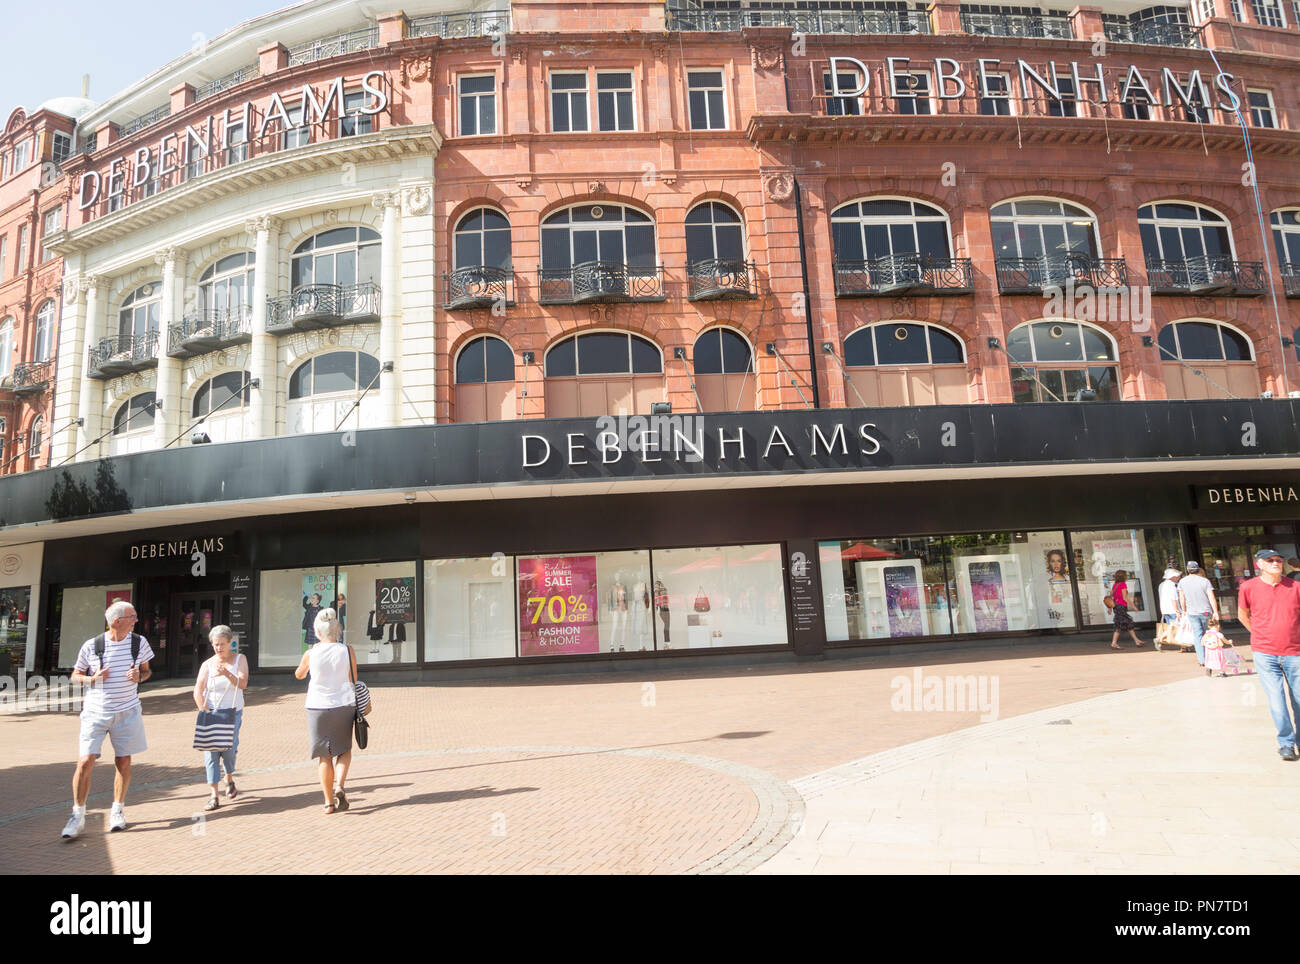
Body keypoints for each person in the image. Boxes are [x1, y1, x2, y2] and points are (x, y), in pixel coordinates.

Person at [62, 600, 155, 839]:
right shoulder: (93, 645)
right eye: (132, 616)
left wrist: (139, 676)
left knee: (123, 762)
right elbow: (75, 675)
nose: (136, 619)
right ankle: (77, 815)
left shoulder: (139, 643)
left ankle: (118, 810)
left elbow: (147, 671)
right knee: (85, 761)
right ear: (117, 621)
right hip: (95, 712)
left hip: (127, 711)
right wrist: (92, 679)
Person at [1238, 549, 1300, 761]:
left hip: (1295, 652)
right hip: (1265, 653)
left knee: (1299, 700)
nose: (1276, 563)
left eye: (1279, 560)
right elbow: (1242, 614)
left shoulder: (1296, 587)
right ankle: (1286, 743)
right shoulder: (1248, 588)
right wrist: (1258, 634)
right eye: (1270, 560)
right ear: (1259, 564)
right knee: (1276, 701)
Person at [294, 607, 356, 813]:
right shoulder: (347, 650)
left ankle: (329, 803)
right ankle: (339, 785)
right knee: (344, 750)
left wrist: (304, 668)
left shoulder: (311, 653)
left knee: (324, 755)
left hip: (316, 706)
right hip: (343, 704)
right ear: (337, 630)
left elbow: (299, 675)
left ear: (317, 632)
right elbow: (353, 679)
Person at [193, 625, 249, 811]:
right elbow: (198, 689)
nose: (218, 648)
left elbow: (242, 684)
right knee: (210, 753)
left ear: (230, 643)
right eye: (215, 645)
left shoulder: (239, 659)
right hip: (211, 713)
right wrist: (203, 709)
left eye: (222, 644)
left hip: (232, 712)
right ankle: (213, 795)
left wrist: (227, 673)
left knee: (229, 749)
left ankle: (229, 777)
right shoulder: (207, 664)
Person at [1178, 561, 1220, 667]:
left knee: (1198, 635)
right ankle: (1212, 656)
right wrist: (1215, 611)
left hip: (1192, 612)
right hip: (1206, 611)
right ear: (1197, 569)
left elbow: (1181, 598)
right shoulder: (1204, 581)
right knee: (1210, 634)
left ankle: (1202, 659)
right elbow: (1211, 597)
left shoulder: (1182, 582)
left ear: (1188, 570)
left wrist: (1184, 610)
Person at [1109, 569, 1145, 649]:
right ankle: (1114, 643)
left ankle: (1136, 640)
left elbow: (1111, 596)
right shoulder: (1123, 584)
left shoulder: (1115, 585)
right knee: (1120, 625)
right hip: (1121, 606)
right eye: (1126, 575)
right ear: (1123, 577)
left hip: (1116, 606)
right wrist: (1134, 606)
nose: (1127, 576)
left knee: (1128, 624)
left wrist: (1110, 608)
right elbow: (1125, 598)